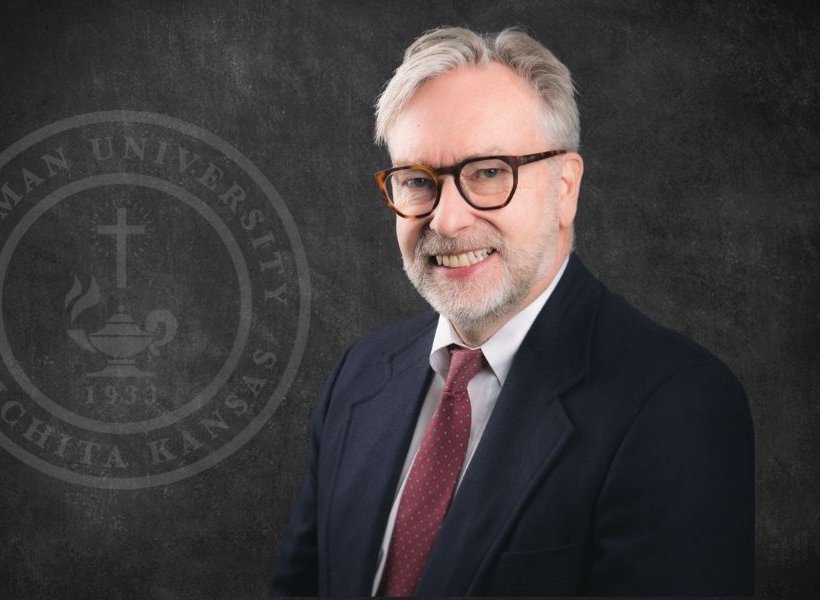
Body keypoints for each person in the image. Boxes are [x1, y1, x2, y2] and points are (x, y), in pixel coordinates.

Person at [272, 26, 753, 596]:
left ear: (565, 188)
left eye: (490, 172)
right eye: (418, 181)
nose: (447, 221)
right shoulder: (358, 376)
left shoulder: (676, 406)